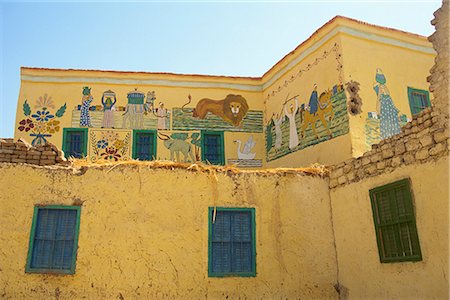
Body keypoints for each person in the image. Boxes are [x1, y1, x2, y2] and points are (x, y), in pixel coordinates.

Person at [373, 69, 400, 139]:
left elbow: (384, 95)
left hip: (386, 106)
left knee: (389, 123)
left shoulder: (382, 87)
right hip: (385, 106)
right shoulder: (381, 87)